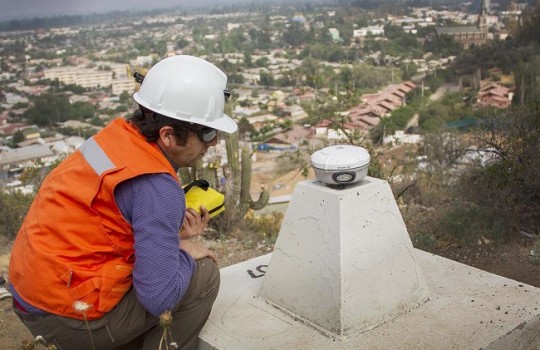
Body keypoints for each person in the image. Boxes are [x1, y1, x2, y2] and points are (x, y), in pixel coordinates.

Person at [8, 55, 238, 350]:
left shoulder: (117, 137)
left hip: (30, 290)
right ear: (168, 135)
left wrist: (170, 238)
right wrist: (182, 253)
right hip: (65, 317)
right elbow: (159, 298)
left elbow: (106, 219)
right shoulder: (157, 187)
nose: (214, 142)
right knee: (203, 273)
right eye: (207, 132)